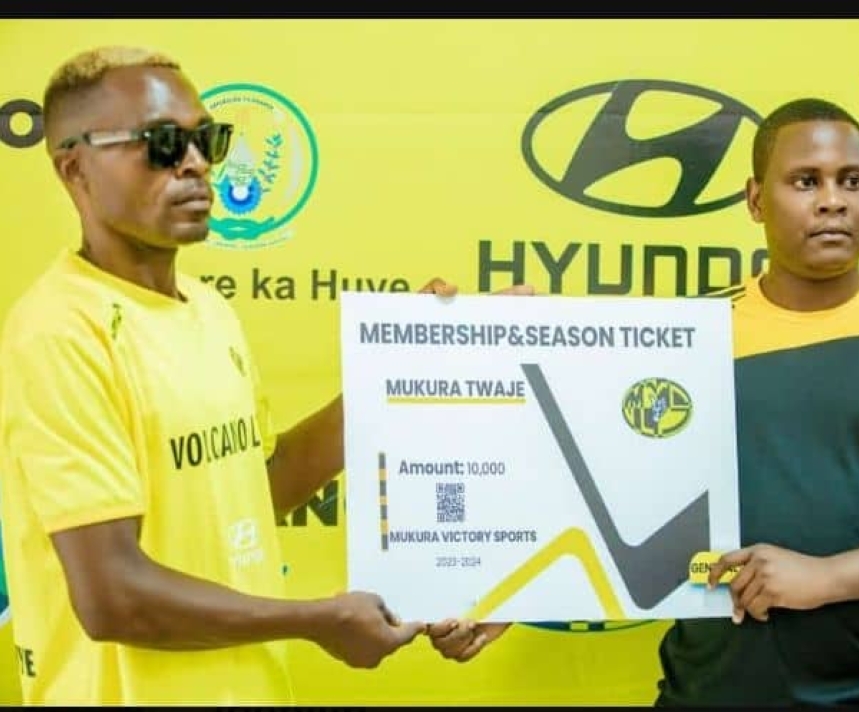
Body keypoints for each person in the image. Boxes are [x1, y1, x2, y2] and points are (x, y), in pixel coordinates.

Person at [431, 97, 859, 706]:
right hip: (704, 690)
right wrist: (517, 593)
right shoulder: (688, 333)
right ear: (755, 200)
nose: (833, 200)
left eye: (852, 181)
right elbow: (605, 495)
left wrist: (825, 578)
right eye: (805, 181)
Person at [0, 45, 522, 706]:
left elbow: (257, 487)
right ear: (74, 167)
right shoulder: (59, 333)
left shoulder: (208, 311)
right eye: (162, 145)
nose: (195, 163)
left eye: (208, 140)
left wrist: (406, 371)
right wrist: (316, 620)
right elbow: (113, 597)